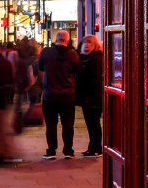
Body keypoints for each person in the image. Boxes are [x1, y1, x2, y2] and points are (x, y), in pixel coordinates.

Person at [35, 30, 81, 159]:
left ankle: (51, 151)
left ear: (56, 39)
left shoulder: (46, 52)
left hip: (49, 95)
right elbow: (78, 70)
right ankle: (68, 151)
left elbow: (40, 67)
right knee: (68, 124)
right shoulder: (73, 54)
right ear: (67, 40)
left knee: (51, 124)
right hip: (68, 96)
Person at [77, 34, 104, 156]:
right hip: (85, 96)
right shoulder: (83, 58)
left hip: (93, 96)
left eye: (89, 42)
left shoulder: (97, 58)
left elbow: (96, 80)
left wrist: (90, 95)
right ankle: (92, 146)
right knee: (90, 122)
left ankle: (96, 147)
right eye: (85, 42)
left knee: (94, 122)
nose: (86, 44)